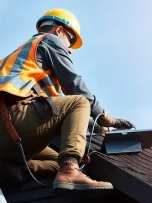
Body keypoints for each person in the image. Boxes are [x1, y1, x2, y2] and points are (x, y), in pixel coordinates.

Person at [0, 8, 135, 193]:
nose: (70, 50)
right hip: (13, 120)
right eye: (70, 40)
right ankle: (70, 171)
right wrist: (106, 118)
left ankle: (20, 169)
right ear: (59, 30)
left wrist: (97, 128)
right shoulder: (49, 40)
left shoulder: (20, 60)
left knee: (58, 158)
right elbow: (75, 86)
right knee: (80, 102)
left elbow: (61, 112)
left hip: (8, 128)